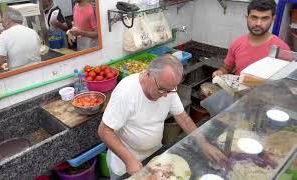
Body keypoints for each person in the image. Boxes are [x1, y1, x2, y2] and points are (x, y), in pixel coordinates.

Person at [98, 55, 228, 179]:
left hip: (154, 157)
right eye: (162, 90)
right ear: (148, 73)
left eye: (171, 90)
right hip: (125, 163)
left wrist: (203, 143)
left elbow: (183, 118)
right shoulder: (126, 92)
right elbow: (104, 131)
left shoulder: (168, 88)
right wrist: (129, 160)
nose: (166, 95)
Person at [212, 0, 290, 77]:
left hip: (266, 90)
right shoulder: (237, 43)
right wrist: (220, 72)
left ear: (273, 19)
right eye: (254, 17)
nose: (258, 23)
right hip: (238, 88)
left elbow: (285, 81)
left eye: (264, 18)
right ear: (247, 18)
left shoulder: (282, 49)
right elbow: (227, 67)